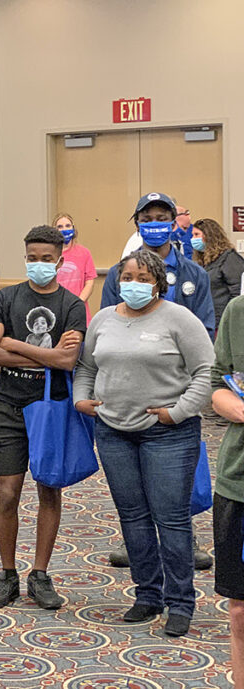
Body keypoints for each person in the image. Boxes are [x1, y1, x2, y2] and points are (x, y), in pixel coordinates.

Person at [74, 249, 213, 637]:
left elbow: (206, 372)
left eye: (142, 278)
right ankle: (148, 594)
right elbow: (87, 367)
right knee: (132, 518)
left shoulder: (179, 319)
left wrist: (178, 412)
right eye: (127, 277)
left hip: (169, 434)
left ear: (158, 284)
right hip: (113, 431)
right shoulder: (103, 319)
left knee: (171, 519)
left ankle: (180, 602)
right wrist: (81, 398)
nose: (133, 284)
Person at [100, 192, 216, 570]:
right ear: (137, 224)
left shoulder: (194, 274)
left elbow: (206, 331)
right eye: (146, 218)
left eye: (161, 217)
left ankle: (185, 537)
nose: (154, 224)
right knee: (132, 477)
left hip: (177, 390)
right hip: (130, 390)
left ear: (173, 222)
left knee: (179, 475)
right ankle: (137, 540)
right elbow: (107, 328)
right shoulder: (120, 274)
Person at [0, 226, 87, 610]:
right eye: (31, 258)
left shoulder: (72, 305)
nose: (38, 264)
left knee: (49, 490)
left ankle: (40, 574)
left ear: (60, 260)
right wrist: (46, 356)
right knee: (8, 492)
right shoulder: (6, 298)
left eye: (46, 258)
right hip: (8, 407)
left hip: (51, 409)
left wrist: (12, 343)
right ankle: (7, 574)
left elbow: (67, 361)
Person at [208, 293, 244, 681]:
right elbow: (218, 382)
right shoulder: (238, 311)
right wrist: (233, 406)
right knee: (240, 612)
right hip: (238, 483)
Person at [192, 218, 244, 329]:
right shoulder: (203, 260)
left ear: (209, 236)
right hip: (206, 318)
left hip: (223, 320)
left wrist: (229, 318)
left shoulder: (230, 258)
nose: (193, 239)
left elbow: (237, 292)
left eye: (196, 235)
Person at [53, 212, 96, 322]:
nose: (64, 229)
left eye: (68, 226)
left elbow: (89, 282)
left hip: (79, 310)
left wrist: (78, 303)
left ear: (73, 228)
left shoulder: (84, 253)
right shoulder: (50, 254)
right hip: (56, 309)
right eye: (60, 227)